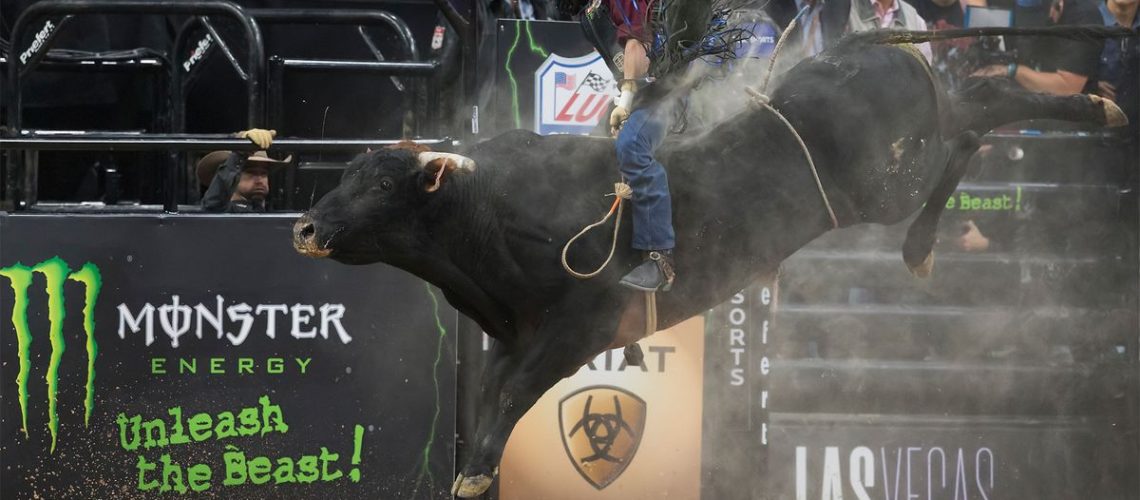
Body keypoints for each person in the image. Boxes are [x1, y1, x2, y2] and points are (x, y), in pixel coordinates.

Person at [572, 0, 722, 292]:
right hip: (645, 93)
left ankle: (659, 257)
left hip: (669, 94)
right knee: (589, 154)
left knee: (633, 145)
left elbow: (636, 48)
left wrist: (625, 101)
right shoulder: (593, 7)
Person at [973, 0, 1102, 95]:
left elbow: (1067, 88)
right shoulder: (1000, 5)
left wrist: (1012, 71)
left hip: (1066, 120)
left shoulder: (1082, 14)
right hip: (1009, 112)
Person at [197, 129, 292, 213]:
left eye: (264, 173)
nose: (260, 180)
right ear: (233, 174)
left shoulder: (270, 212)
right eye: (251, 173)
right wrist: (241, 152)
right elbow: (213, 206)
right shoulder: (225, 209)